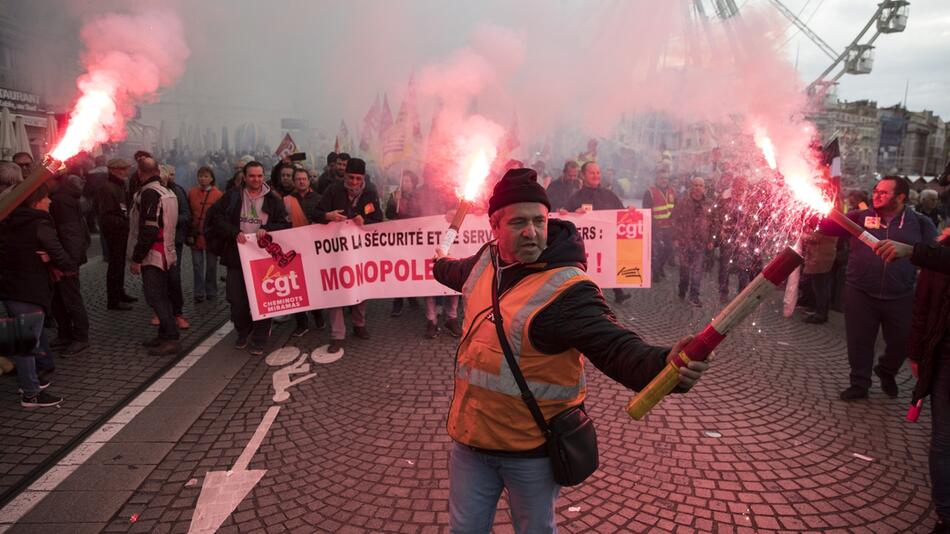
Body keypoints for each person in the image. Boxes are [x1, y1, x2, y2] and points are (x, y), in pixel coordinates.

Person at [432, 168, 708, 533]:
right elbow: (455, 272)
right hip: (470, 444)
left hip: (530, 453)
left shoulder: (568, 290)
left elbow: (615, 347)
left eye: (538, 220)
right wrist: (439, 264)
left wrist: (665, 365)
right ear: (494, 228)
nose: (531, 232)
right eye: (518, 222)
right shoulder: (485, 261)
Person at [819, 176, 937, 400]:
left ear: (900, 197)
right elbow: (828, 227)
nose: (876, 195)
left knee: (901, 342)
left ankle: (887, 370)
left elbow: (934, 253)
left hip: (900, 294)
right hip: (860, 291)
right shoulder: (861, 216)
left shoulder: (920, 223)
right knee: (859, 340)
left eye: (884, 192)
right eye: (876, 190)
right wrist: (817, 215)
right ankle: (859, 383)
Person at [1, 185, 76, 407]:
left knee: (22, 339)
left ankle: (33, 381)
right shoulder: (39, 224)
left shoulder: (6, 221)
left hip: (8, 289)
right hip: (29, 289)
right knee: (25, 344)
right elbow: (60, 255)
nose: (50, 202)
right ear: (35, 202)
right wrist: (61, 263)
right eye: (45, 198)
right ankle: (30, 393)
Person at [208, 161, 289, 355]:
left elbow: (285, 225)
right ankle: (243, 331)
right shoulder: (233, 196)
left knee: (263, 299)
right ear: (244, 176)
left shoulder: (273, 199)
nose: (256, 180)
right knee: (236, 299)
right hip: (237, 255)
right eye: (252, 176)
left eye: (260, 176)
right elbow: (216, 218)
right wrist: (234, 232)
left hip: (263, 257)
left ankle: (260, 338)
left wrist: (267, 230)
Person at [313, 158, 381, 353]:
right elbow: (316, 213)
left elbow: (378, 218)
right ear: (345, 175)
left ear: (363, 178)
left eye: (357, 178)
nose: (353, 182)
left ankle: (359, 325)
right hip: (335, 250)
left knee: (360, 287)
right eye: (350, 177)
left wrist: (365, 220)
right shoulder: (333, 190)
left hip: (359, 251)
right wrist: (328, 216)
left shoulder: (370, 192)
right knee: (335, 288)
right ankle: (337, 334)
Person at [127, 157, 180, 356]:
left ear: (140, 173)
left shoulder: (150, 193)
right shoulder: (168, 191)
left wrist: (137, 258)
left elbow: (150, 229)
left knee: (155, 297)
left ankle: (171, 338)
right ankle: (164, 335)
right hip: (167, 250)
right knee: (162, 296)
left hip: (155, 253)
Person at [565, 162, 630, 304]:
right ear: (583, 175)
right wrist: (570, 214)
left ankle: (616, 294)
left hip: (606, 244)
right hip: (585, 248)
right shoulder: (575, 197)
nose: (596, 176)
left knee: (608, 265)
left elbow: (622, 213)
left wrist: (630, 212)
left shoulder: (609, 195)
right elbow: (566, 220)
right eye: (592, 173)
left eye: (598, 173)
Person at [49, 174, 91, 356]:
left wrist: (69, 264)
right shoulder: (62, 198)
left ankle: (81, 337)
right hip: (61, 258)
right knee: (58, 298)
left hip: (65, 259)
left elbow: (71, 232)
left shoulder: (60, 200)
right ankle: (65, 333)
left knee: (71, 298)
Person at [288, 166, 324, 336]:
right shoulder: (286, 200)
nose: (301, 181)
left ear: (309, 180)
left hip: (313, 250)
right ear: (294, 182)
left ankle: (318, 316)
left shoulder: (319, 199)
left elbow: (325, 221)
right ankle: (301, 323)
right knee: (297, 287)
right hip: (294, 250)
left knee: (314, 285)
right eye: (298, 179)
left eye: (304, 179)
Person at [97, 158, 137, 310]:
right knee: (115, 266)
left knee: (119, 265)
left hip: (121, 230)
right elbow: (107, 215)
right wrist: (124, 223)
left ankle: (120, 293)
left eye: (126, 168)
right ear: (114, 170)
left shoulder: (120, 185)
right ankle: (113, 300)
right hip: (114, 232)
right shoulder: (107, 188)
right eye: (123, 169)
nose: (127, 171)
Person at [671, 176, 711, 307]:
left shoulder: (708, 203)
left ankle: (694, 296)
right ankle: (682, 288)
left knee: (697, 271)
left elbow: (713, 222)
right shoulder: (682, 202)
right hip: (684, 242)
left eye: (700, 185)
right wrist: (676, 238)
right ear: (691, 186)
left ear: (704, 188)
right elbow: (675, 220)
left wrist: (711, 239)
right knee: (685, 271)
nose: (698, 188)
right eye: (695, 185)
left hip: (700, 243)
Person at [187, 166, 223, 303]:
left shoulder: (218, 194)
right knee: (197, 265)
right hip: (195, 234)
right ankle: (199, 292)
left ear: (212, 178)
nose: (203, 179)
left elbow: (220, 215)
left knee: (211, 266)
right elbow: (189, 212)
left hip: (211, 236)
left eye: (206, 176)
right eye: (201, 176)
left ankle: (211, 291)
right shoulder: (191, 192)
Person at [642, 168, 676, 281]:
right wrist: (652, 226)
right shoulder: (649, 192)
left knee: (669, 249)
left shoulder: (672, 191)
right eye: (662, 178)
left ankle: (660, 267)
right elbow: (646, 211)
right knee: (657, 251)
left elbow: (676, 209)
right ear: (656, 179)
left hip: (669, 227)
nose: (664, 180)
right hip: (656, 227)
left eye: (666, 178)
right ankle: (655, 273)